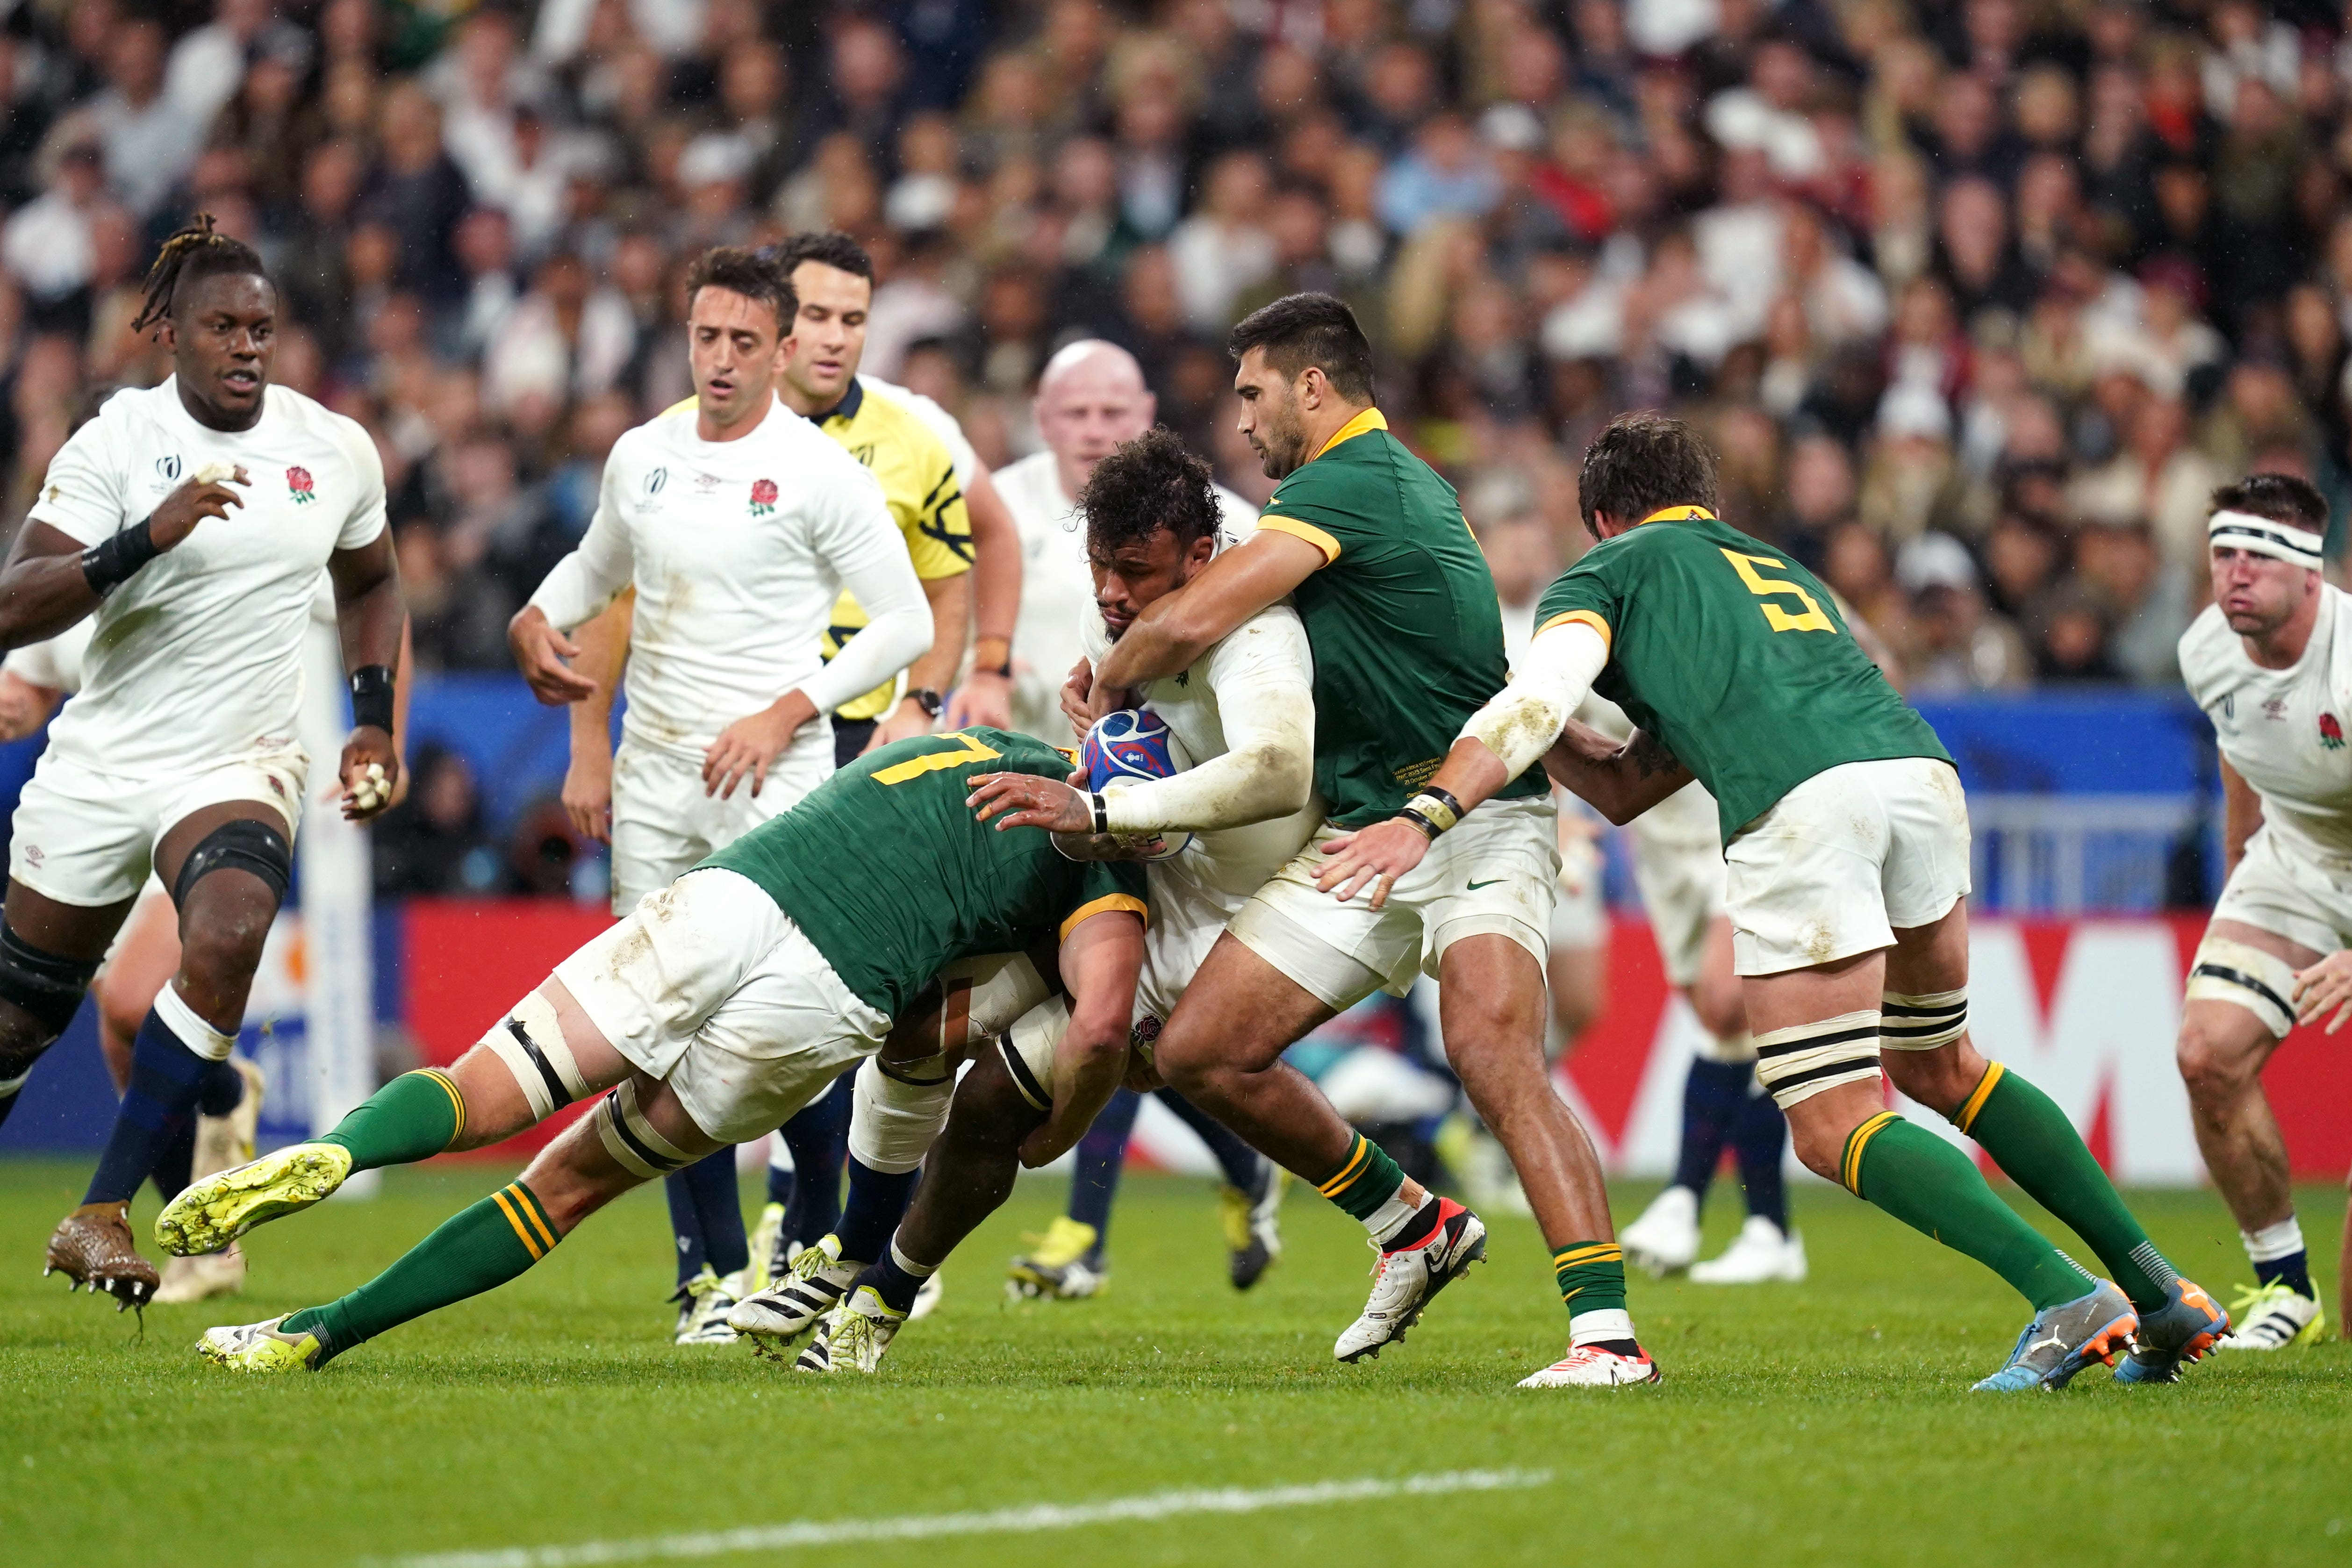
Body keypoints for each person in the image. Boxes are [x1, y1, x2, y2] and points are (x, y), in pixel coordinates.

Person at [1332, 410, 2225, 1390]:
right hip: (1917, 775)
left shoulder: (1607, 573)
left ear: (1600, 516)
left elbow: (1541, 700)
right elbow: (1630, 786)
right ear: (1704, 501)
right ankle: (2157, 1289)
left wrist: (1428, 808)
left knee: (1831, 1122)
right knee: (1942, 1066)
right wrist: (1520, 715)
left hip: (1806, 805)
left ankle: (2062, 1292)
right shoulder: (1770, 568)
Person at [164, 728, 1147, 1373]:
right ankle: (314, 1333)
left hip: (729, 893)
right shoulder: (1100, 858)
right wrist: (1052, 1130)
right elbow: (1096, 1022)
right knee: (561, 1186)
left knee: (479, 1091)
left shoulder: (984, 743)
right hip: (818, 997)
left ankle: (343, 1151)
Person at [1084, 294, 1655, 1386]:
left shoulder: (1353, 477)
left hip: (1474, 819)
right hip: (1363, 836)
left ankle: (1607, 1337)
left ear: (1312, 386)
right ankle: (1411, 1225)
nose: (1240, 419)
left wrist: (1107, 672)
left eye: (1251, 392)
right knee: (1200, 1049)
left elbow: (1191, 619)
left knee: (1492, 1057)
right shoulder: (1344, 492)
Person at [728, 427, 1316, 1352]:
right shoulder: (1115, 613)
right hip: (1140, 870)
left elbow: (1278, 771)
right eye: (1098, 568)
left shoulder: (1258, 637)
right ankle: (853, 1254)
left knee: (1015, 1095)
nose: (1111, 592)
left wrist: (1111, 808)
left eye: (1134, 570)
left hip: (1237, 920)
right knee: (917, 1027)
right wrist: (1097, 750)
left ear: (1200, 557)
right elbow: (1120, 753)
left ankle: (880, 1296)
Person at [503, 246, 928, 1343]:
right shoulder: (641, 455)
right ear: (684, 337)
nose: (723, 359)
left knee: (791, 1032)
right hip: (655, 782)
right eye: (706, 337)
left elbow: (904, 622)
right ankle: (711, 1277)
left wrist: (791, 708)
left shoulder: (820, 471)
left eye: (746, 341)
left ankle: (822, 1249)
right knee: (652, 1032)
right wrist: (531, 619)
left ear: (784, 351)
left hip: (772, 783)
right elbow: (594, 574)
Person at [0, 215, 403, 1310]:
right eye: (221, 326)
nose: (245, 348)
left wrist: (373, 720)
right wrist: (143, 538)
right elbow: (13, 603)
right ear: (167, 333)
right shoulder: (114, 445)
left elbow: (371, 585)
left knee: (227, 931)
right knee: (17, 1027)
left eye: (261, 329)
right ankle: (204, 1124)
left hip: (240, 758)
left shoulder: (332, 448)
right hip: (104, 763)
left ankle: (105, 1212)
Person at [987, 341, 1283, 1299]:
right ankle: (1243, 1168)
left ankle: (1083, 1229)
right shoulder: (995, 506)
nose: (1096, 429)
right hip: (1027, 778)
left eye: (1115, 411)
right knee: (1133, 1039)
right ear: (1042, 416)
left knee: (1109, 1009)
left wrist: (1124, 743)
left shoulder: (1224, 526)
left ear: (1144, 412)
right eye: (1077, 412)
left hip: (1151, 795)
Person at [2173, 474, 2350, 1350]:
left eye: (2256, 557)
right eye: (2221, 555)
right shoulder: (2206, 648)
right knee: (2206, 1055)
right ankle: (2285, 1288)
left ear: (2311, 576)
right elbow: (2239, 743)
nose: (2234, 574)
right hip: (2298, 863)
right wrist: (2242, 856)